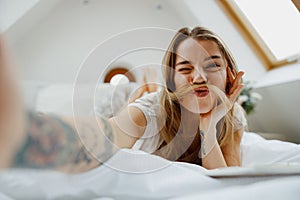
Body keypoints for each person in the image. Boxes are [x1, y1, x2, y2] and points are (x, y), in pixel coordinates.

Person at [0, 26, 245, 172]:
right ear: (171, 80)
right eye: (184, 69)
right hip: (134, 111)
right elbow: (108, 134)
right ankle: (138, 91)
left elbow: (229, 180)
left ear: (229, 75)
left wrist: (209, 125)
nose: (200, 77)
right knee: (127, 104)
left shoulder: (233, 119)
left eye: (212, 65)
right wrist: (27, 132)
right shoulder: (148, 113)